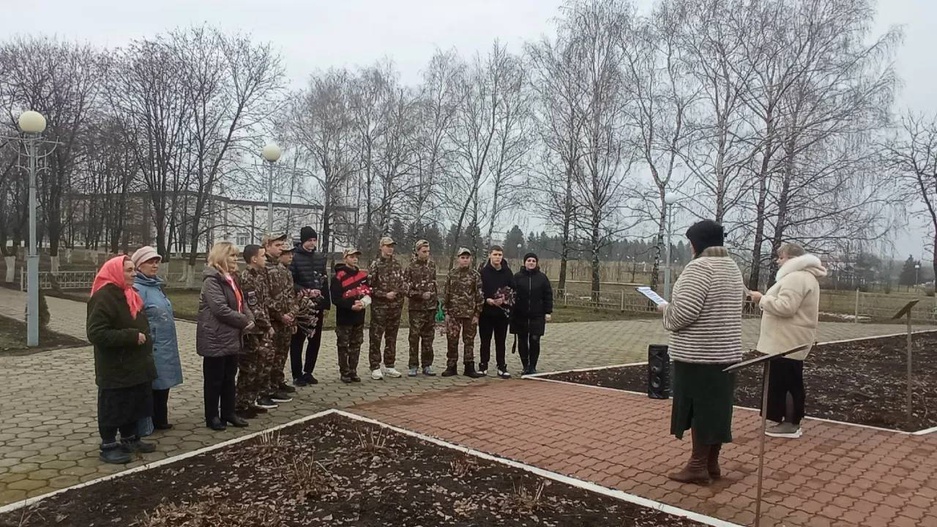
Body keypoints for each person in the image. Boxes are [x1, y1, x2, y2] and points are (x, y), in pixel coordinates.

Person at [659, 219, 745, 485]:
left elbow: (683, 314)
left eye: (690, 242)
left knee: (699, 410)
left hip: (698, 354)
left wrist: (666, 311)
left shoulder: (699, 268)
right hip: (726, 353)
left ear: (697, 243)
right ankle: (711, 463)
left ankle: (697, 465)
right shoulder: (732, 267)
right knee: (716, 409)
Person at [749, 243, 826, 439]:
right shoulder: (805, 276)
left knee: (787, 382)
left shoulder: (796, 278)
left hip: (786, 340)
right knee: (788, 380)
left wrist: (761, 299)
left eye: (781, 257)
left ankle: (790, 423)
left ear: (792, 259)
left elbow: (786, 307)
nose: (778, 261)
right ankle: (788, 421)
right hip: (790, 339)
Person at [87, 255, 158, 464]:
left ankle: (130, 438)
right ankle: (108, 445)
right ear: (115, 272)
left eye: (134, 269)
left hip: (135, 363)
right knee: (113, 406)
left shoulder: (129, 293)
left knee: (132, 403)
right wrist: (131, 336)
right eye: (128, 270)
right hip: (115, 366)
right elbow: (96, 333)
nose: (134, 274)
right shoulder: (104, 297)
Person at [197, 241, 254, 431]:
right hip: (215, 338)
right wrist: (244, 321)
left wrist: (250, 318)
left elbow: (242, 302)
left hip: (231, 337)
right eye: (232, 255)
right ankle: (212, 416)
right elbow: (220, 309)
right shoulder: (212, 280)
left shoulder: (232, 278)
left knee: (229, 378)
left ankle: (229, 412)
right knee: (214, 380)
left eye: (236, 255)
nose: (236, 259)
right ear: (221, 256)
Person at [131, 247, 183, 434]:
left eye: (156, 262)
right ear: (139, 265)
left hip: (165, 342)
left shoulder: (156, 286)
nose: (154, 265)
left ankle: (160, 418)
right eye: (149, 262)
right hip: (153, 343)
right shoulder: (138, 288)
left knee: (163, 381)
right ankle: (148, 421)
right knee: (153, 382)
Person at [237, 244, 278, 417]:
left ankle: (250, 401)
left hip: (261, 329)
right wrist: (267, 325)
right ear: (254, 259)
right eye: (263, 256)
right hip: (253, 330)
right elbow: (253, 307)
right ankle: (241, 404)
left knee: (258, 367)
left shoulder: (259, 276)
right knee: (249, 368)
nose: (265, 259)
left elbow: (264, 302)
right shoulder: (247, 278)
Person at [289, 226, 330, 386]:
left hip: (317, 305)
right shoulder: (294, 258)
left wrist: (326, 304)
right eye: (309, 240)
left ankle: (308, 372)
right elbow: (290, 282)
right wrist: (306, 291)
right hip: (301, 306)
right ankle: (297, 374)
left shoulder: (319, 258)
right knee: (298, 340)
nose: (312, 243)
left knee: (315, 340)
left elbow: (324, 281)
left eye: (314, 240)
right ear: (303, 241)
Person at [262, 233, 296, 405]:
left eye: (282, 245)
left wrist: (292, 314)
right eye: (277, 245)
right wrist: (279, 315)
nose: (281, 248)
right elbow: (264, 297)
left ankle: (276, 383)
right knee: (269, 357)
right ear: (267, 246)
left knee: (281, 354)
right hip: (271, 320)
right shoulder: (263, 268)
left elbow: (290, 294)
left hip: (285, 320)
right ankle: (266, 389)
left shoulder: (283, 269)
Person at [442, 247, 485, 378]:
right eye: (462, 258)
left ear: (470, 259)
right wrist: (446, 312)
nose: (465, 260)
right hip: (453, 314)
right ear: (458, 259)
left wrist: (477, 314)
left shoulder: (475, 275)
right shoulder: (452, 274)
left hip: (470, 314)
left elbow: (479, 295)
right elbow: (446, 293)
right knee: (452, 340)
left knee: (469, 341)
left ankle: (469, 366)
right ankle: (451, 366)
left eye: (467, 258)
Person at [367, 236, 405, 380]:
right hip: (379, 308)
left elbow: (402, 284)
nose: (390, 249)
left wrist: (398, 295)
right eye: (387, 246)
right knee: (376, 337)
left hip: (395, 307)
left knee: (391, 337)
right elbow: (369, 287)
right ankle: (375, 366)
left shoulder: (397, 265)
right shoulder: (375, 265)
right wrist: (384, 295)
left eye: (392, 246)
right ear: (381, 247)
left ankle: (389, 365)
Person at [510, 253, 553, 375]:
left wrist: (548, 311)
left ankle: (533, 366)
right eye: (529, 260)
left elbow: (548, 295)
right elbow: (511, 294)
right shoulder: (517, 277)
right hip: (520, 315)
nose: (531, 262)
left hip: (537, 315)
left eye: (533, 261)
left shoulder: (542, 278)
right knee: (522, 340)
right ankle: (525, 365)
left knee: (535, 340)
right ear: (524, 262)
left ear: (536, 263)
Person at [331, 248, 369, 383]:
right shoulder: (338, 277)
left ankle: (353, 370)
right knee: (343, 346)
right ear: (345, 258)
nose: (355, 259)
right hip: (344, 317)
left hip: (359, 317)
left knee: (356, 345)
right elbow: (336, 299)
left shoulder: (362, 276)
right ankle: (345, 372)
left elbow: (367, 292)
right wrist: (350, 305)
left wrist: (363, 303)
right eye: (351, 256)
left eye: (356, 257)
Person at [478, 245, 514, 378]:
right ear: (490, 255)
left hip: (501, 313)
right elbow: (478, 290)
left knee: (501, 341)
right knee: (485, 340)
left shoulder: (507, 272)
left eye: (499, 255)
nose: (497, 257)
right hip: (486, 313)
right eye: (495, 254)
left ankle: (501, 366)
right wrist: (487, 299)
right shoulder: (483, 272)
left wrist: (504, 298)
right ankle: (483, 365)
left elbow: (513, 289)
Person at [404, 239, 438, 377]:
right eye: (424, 251)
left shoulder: (432, 265)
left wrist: (435, 300)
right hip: (416, 309)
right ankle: (413, 365)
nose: (426, 254)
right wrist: (419, 295)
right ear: (417, 251)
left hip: (430, 308)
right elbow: (406, 289)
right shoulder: (410, 267)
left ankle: (427, 364)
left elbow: (434, 284)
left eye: (428, 251)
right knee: (414, 337)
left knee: (428, 337)